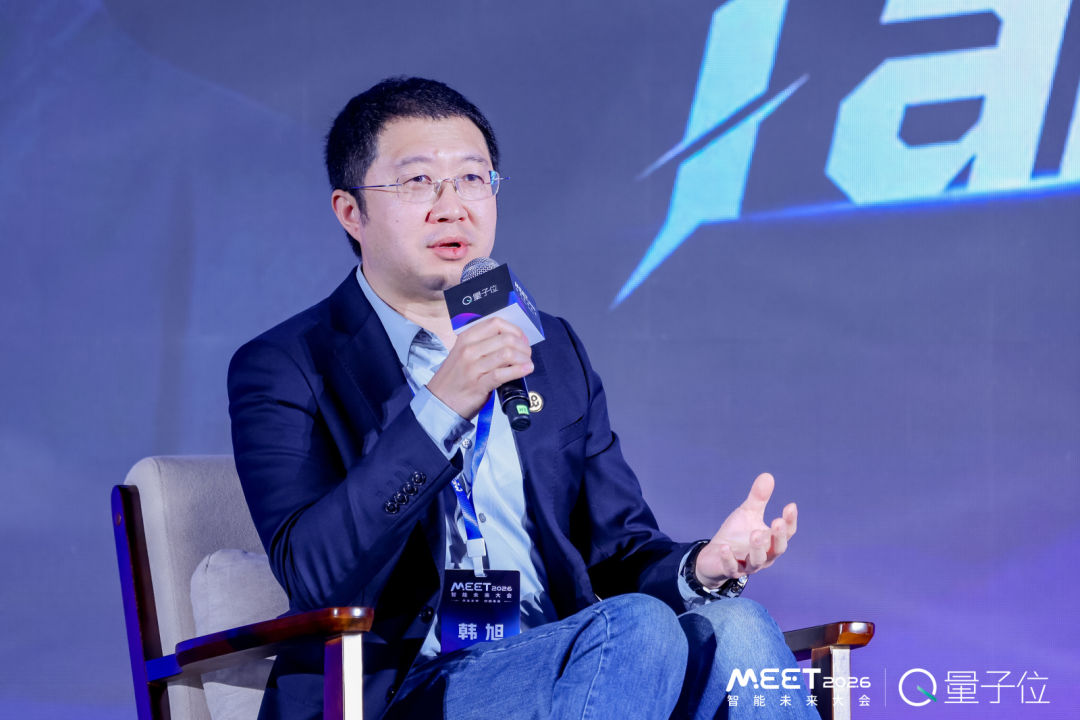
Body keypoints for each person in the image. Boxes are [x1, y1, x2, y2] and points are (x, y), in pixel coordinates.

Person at [228, 76, 816, 720]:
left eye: (473, 179)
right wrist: (440, 407)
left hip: (572, 663)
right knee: (638, 629)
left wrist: (702, 568)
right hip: (403, 688)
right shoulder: (288, 364)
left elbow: (617, 553)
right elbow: (313, 576)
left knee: (736, 622)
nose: (453, 207)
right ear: (351, 211)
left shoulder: (549, 346)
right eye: (418, 181)